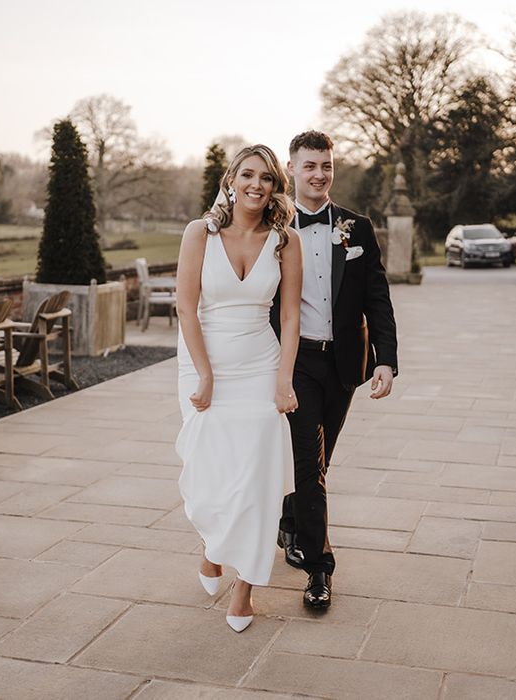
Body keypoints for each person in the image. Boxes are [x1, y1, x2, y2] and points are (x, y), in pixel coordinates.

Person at [175, 144, 303, 633]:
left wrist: (284, 379)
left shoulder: (284, 241)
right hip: (203, 359)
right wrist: (205, 374)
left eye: (266, 178)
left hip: (260, 362)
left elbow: (289, 315)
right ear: (231, 180)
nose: (256, 184)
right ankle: (211, 550)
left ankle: (245, 586)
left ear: (274, 187)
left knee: (257, 477)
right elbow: (187, 308)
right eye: (247, 174)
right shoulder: (199, 234)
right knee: (210, 474)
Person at [271, 130, 398, 609]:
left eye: (326, 166)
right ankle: (319, 569)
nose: (319, 174)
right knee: (310, 460)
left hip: (344, 362)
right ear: (292, 169)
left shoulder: (356, 228)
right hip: (297, 360)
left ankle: (291, 515)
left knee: (318, 463)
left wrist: (385, 358)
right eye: (310, 166)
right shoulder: (275, 229)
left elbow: (377, 296)